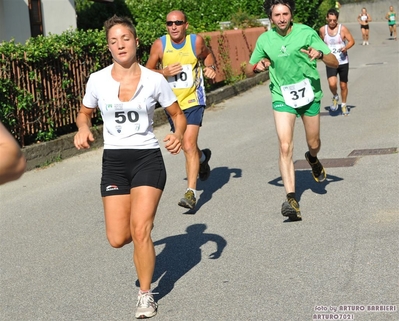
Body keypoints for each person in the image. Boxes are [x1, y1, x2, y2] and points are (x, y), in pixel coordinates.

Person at [73, 15, 186, 319]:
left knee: (140, 230)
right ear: (108, 47)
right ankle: (142, 234)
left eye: (125, 38)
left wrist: (177, 134)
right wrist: (83, 128)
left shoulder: (155, 80)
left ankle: (146, 295)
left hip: (147, 158)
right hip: (114, 162)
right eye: (113, 41)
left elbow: (178, 114)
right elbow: (84, 113)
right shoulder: (97, 80)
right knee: (117, 238)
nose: (120, 44)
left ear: (136, 42)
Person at [245, 0, 338, 221]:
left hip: (309, 94)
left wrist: (320, 54)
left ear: (291, 15)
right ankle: (291, 199)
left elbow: (334, 61)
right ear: (271, 18)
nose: (282, 18)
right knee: (285, 146)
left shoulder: (307, 33)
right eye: (277, 15)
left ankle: (313, 159)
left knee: (313, 143)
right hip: (282, 95)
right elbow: (248, 70)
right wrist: (257, 67)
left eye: (285, 13)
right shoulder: (265, 40)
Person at [146, 10, 216, 210]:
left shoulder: (195, 42)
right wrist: (163, 72)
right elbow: (146, 70)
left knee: (187, 143)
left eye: (178, 22)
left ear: (186, 24)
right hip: (173, 104)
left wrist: (211, 67)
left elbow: (208, 56)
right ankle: (202, 158)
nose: (174, 26)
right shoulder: (160, 45)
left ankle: (191, 192)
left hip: (194, 99)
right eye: (169, 23)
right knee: (190, 146)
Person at [319, 8, 355, 116]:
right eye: (330, 20)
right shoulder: (322, 30)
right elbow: (320, 43)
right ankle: (335, 96)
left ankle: (343, 105)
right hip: (330, 61)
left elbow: (352, 41)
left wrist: (346, 47)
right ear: (326, 18)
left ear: (337, 19)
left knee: (343, 85)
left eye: (334, 20)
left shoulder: (342, 29)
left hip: (343, 60)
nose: (332, 22)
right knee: (332, 83)